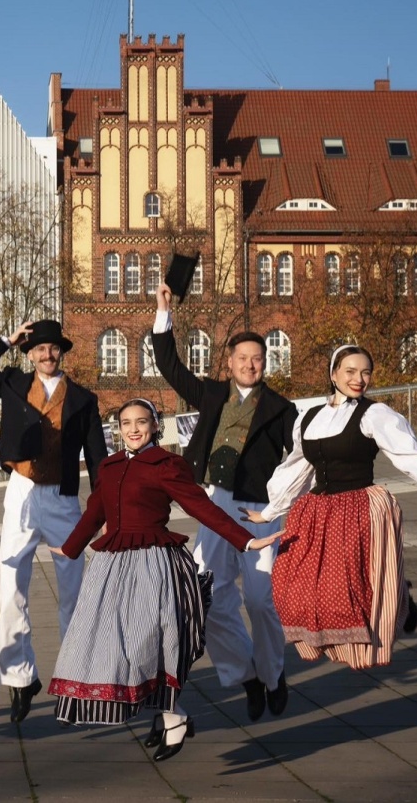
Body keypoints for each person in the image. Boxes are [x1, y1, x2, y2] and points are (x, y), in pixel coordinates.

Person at [48, 399, 283, 762]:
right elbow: (96, 511)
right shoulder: (108, 468)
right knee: (110, 644)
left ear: (155, 426)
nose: (134, 429)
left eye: (142, 422)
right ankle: (168, 715)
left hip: (154, 564)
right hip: (111, 567)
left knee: (148, 643)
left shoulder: (166, 465)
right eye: (126, 423)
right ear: (118, 429)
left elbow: (201, 508)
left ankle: (173, 717)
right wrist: (71, 547)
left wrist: (246, 539)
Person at [241, 345, 417, 669]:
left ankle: (393, 606)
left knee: (346, 590)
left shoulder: (375, 415)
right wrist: (269, 511)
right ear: (334, 374)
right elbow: (297, 467)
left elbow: (409, 456)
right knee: (292, 584)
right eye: (350, 371)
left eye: (365, 372)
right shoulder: (309, 418)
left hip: (357, 508)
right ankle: (396, 596)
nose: (359, 379)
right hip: (317, 511)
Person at [151, 283, 296, 721]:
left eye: (257, 358)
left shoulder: (282, 409)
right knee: (207, 597)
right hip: (214, 503)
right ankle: (245, 675)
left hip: (260, 512)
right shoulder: (213, 394)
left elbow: (303, 459)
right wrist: (164, 313)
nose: (250, 365)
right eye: (242, 359)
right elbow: (169, 366)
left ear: (264, 363)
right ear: (229, 363)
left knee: (260, 600)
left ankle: (272, 674)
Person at [0, 319, 107, 722]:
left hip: (63, 496)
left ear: (62, 352)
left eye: (53, 349)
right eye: (39, 349)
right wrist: (6, 339)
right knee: (11, 586)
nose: (46, 355)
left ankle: (76, 678)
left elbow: (97, 458)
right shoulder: (11, 382)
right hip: (22, 491)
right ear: (29, 353)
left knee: (75, 591)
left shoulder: (82, 398)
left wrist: (105, 510)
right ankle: (19, 677)